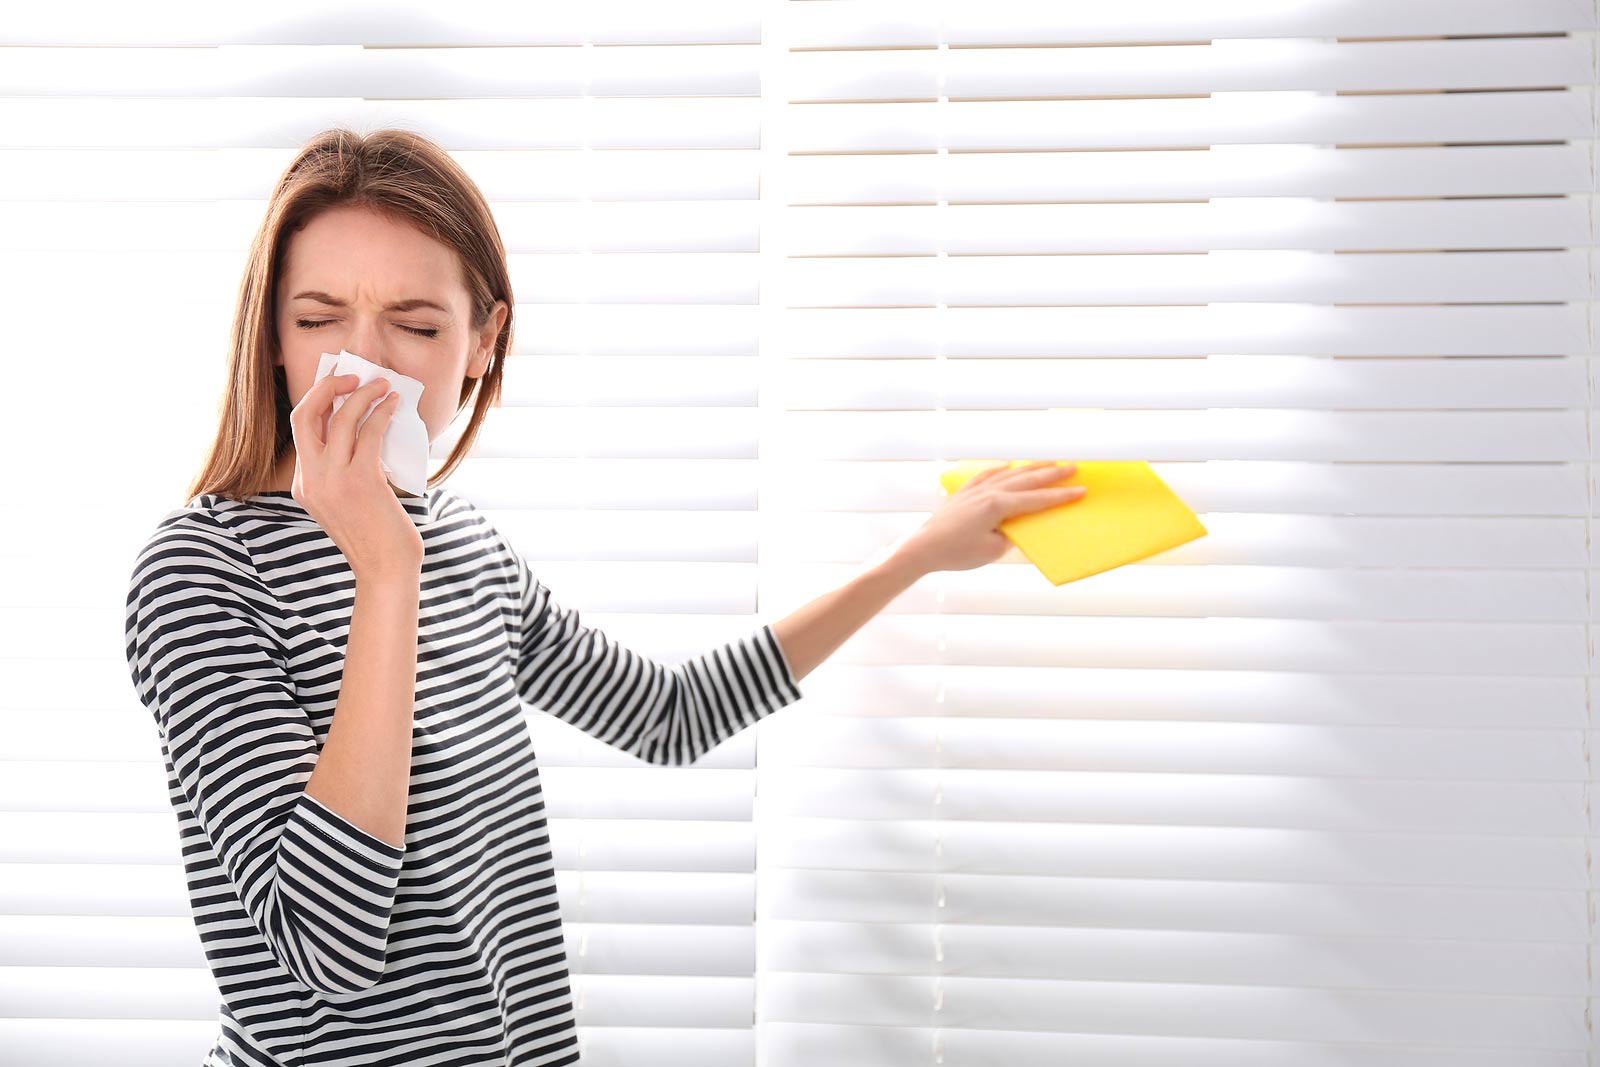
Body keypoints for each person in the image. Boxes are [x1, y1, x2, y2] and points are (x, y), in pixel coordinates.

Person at [123, 125, 1087, 1067]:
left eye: (416, 326)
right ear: (271, 338)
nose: (364, 364)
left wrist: (910, 559)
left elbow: (667, 714)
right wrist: (384, 572)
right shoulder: (203, 572)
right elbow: (325, 950)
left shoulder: (462, 544)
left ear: (480, 341)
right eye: (318, 318)